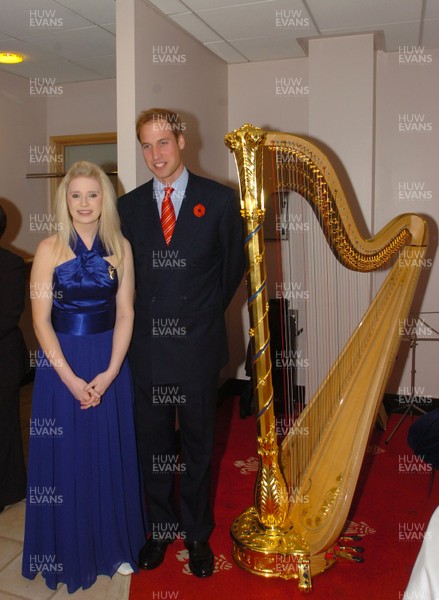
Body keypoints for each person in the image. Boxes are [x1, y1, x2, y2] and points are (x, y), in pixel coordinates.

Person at [118, 108, 244, 578]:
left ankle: (195, 533)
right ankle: (161, 530)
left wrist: (201, 313)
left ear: (182, 141)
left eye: (163, 143)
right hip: (146, 350)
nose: (155, 155)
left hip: (196, 347)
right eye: (147, 146)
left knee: (197, 446)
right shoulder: (127, 207)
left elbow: (233, 268)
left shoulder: (219, 200)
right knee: (152, 445)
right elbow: (122, 279)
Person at [22, 161, 147, 593]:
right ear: (65, 201)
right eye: (75, 195)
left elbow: (127, 312)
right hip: (61, 366)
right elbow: (40, 322)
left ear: (105, 199)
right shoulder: (47, 250)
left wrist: (111, 372)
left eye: (92, 194)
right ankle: (64, 551)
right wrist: (72, 379)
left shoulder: (122, 248)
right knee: (69, 459)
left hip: (109, 360)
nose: (84, 203)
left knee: (109, 454)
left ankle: (115, 548)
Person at [0, 205, 27, 512]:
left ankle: (8, 490)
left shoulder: (11, 264)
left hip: (3, 359)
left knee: (5, 426)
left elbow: (7, 316)